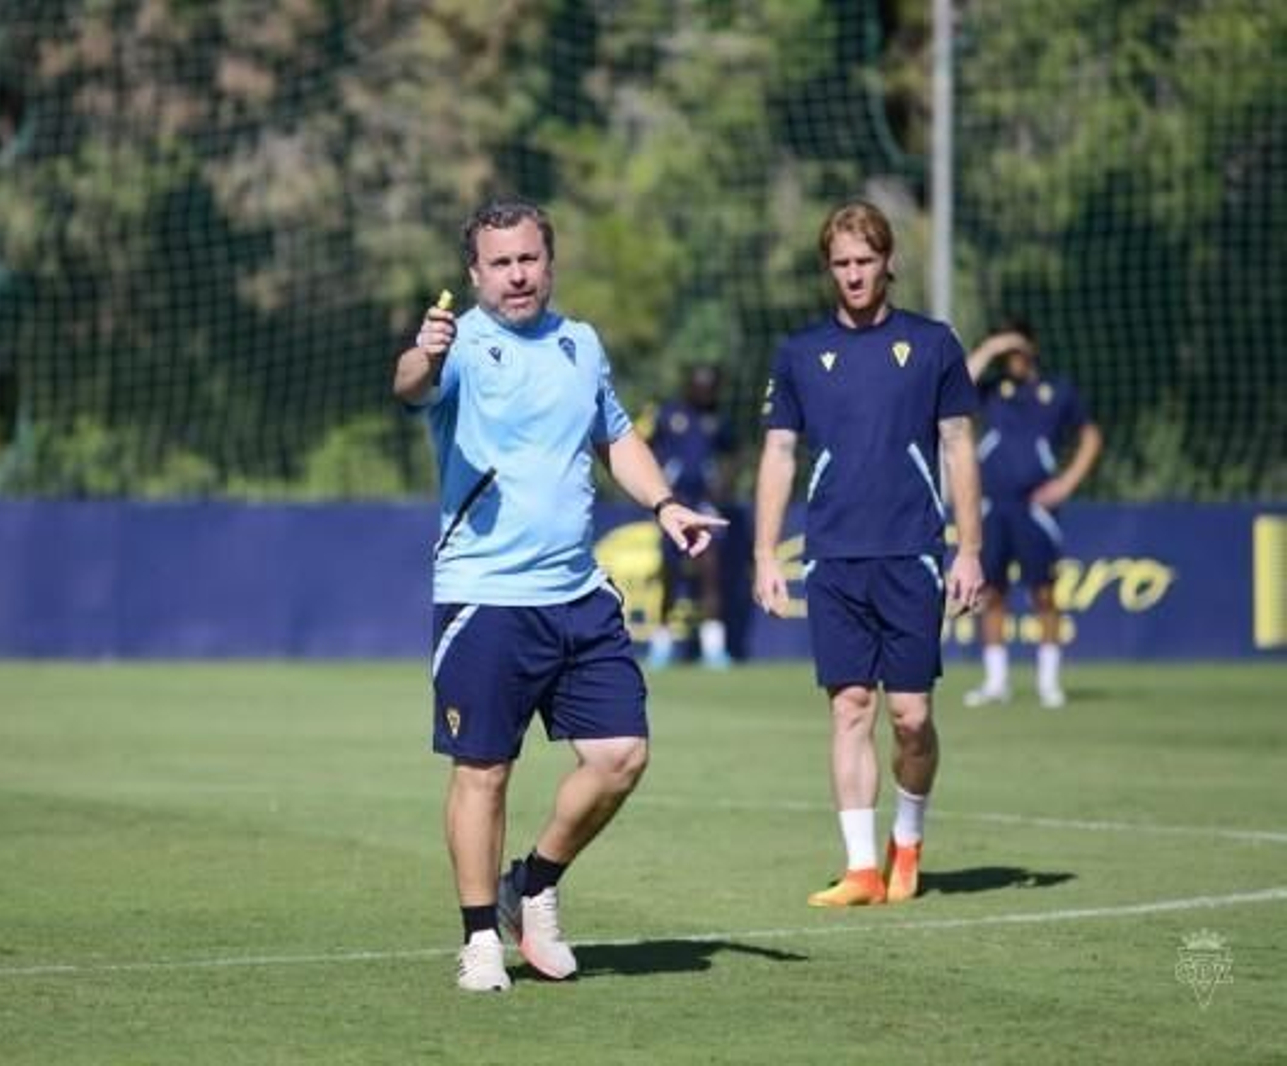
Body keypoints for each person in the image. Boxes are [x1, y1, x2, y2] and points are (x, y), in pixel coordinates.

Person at [393, 197, 728, 991]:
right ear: (475, 273)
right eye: (500, 263)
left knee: (620, 756)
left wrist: (665, 502)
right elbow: (410, 388)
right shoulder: (461, 346)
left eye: (528, 259)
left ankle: (533, 883)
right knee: (485, 770)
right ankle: (481, 938)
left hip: (579, 593)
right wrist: (423, 353)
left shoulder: (582, 344)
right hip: (487, 596)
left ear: (550, 261)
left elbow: (616, 436)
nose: (517, 275)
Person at [752, 200, 984, 907]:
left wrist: (969, 549)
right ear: (828, 268)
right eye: (841, 264)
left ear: (888, 263)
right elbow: (779, 453)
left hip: (912, 553)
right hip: (832, 558)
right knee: (850, 706)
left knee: (911, 716)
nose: (853, 275)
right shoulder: (798, 354)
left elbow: (959, 448)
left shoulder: (934, 344)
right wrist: (765, 553)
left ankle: (906, 841)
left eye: (865, 261)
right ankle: (860, 869)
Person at [962, 320, 1103, 709]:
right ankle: (996, 682)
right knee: (990, 593)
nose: (1014, 359)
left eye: (1018, 350)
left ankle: (1049, 682)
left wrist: (1067, 483)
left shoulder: (1056, 392)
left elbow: (1090, 436)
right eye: (1008, 354)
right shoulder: (991, 391)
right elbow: (957, 383)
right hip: (992, 505)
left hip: (1034, 507)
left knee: (1044, 591)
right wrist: (991, 347)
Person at [645, 363, 738, 669]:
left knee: (711, 573)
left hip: (704, 507)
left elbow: (732, 456)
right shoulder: (669, 415)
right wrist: (658, 490)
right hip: (674, 505)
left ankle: (713, 649)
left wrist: (722, 489)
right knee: (670, 576)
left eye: (711, 388)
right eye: (701, 386)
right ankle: (661, 645)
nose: (706, 393)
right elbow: (646, 451)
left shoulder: (720, 421)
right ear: (689, 387)